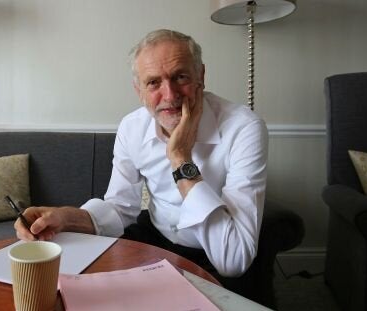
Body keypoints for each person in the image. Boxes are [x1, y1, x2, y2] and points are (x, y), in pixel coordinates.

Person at [14, 29, 268, 277]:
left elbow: (234, 261)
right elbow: (121, 207)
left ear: (200, 75)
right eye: (154, 82)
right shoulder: (131, 127)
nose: (169, 95)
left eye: (180, 77)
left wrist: (180, 157)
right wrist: (62, 217)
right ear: (139, 91)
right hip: (155, 239)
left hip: (214, 249)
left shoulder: (244, 127)